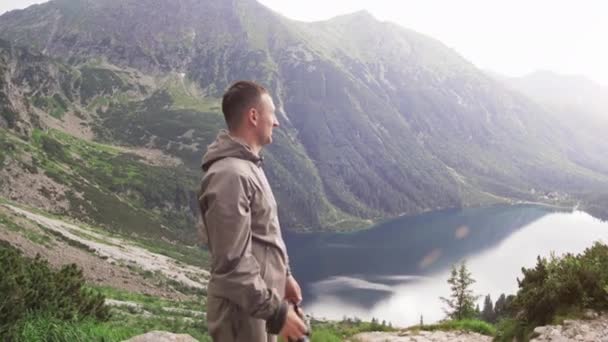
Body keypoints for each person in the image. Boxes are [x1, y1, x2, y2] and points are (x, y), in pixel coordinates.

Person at [198, 80, 308, 341]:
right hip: (241, 315)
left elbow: (265, 233)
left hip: (256, 307)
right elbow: (232, 264)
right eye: (273, 114)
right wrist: (278, 313)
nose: (277, 122)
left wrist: (285, 277)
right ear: (254, 116)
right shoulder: (230, 175)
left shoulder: (248, 167)